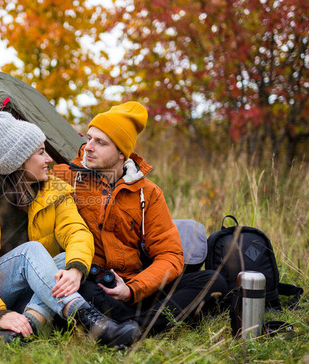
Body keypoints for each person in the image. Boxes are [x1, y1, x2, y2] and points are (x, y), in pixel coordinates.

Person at [0, 111, 140, 347]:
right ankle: (93, 323)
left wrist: (76, 270)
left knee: (68, 259)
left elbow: (77, 232)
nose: (49, 160)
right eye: (41, 152)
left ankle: (24, 330)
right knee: (30, 252)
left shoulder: (53, 190)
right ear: (19, 160)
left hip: (32, 294)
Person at [51, 101, 227, 336]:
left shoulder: (148, 192)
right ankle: (142, 325)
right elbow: (25, 174)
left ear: (121, 153)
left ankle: (131, 326)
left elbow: (171, 255)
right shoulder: (66, 177)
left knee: (213, 280)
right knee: (77, 284)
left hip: (134, 287)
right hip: (91, 282)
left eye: (100, 142)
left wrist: (132, 289)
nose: (88, 147)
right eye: (89, 138)